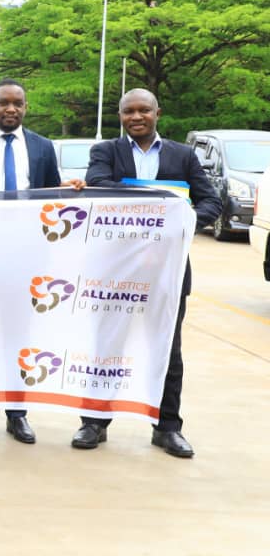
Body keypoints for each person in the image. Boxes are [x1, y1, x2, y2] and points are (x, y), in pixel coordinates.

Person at [73, 88, 221, 458]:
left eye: (144, 110)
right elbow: (98, 186)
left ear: (158, 113)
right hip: (115, 272)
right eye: (128, 111)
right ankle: (94, 422)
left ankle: (167, 428)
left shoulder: (183, 155)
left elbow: (211, 202)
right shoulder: (106, 152)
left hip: (167, 271)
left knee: (169, 351)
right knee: (106, 347)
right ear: (120, 116)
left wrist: (182, 222)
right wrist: (159, 200)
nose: (136, 117)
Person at [0, 78, 85, 444]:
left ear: (26, 107)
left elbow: (51, 197)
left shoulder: (42, 147)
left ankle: (17, 413)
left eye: (18, 103)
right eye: (3, 102)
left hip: (28, 256)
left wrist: (70, 190)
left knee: (20, 337)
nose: (11, 109)